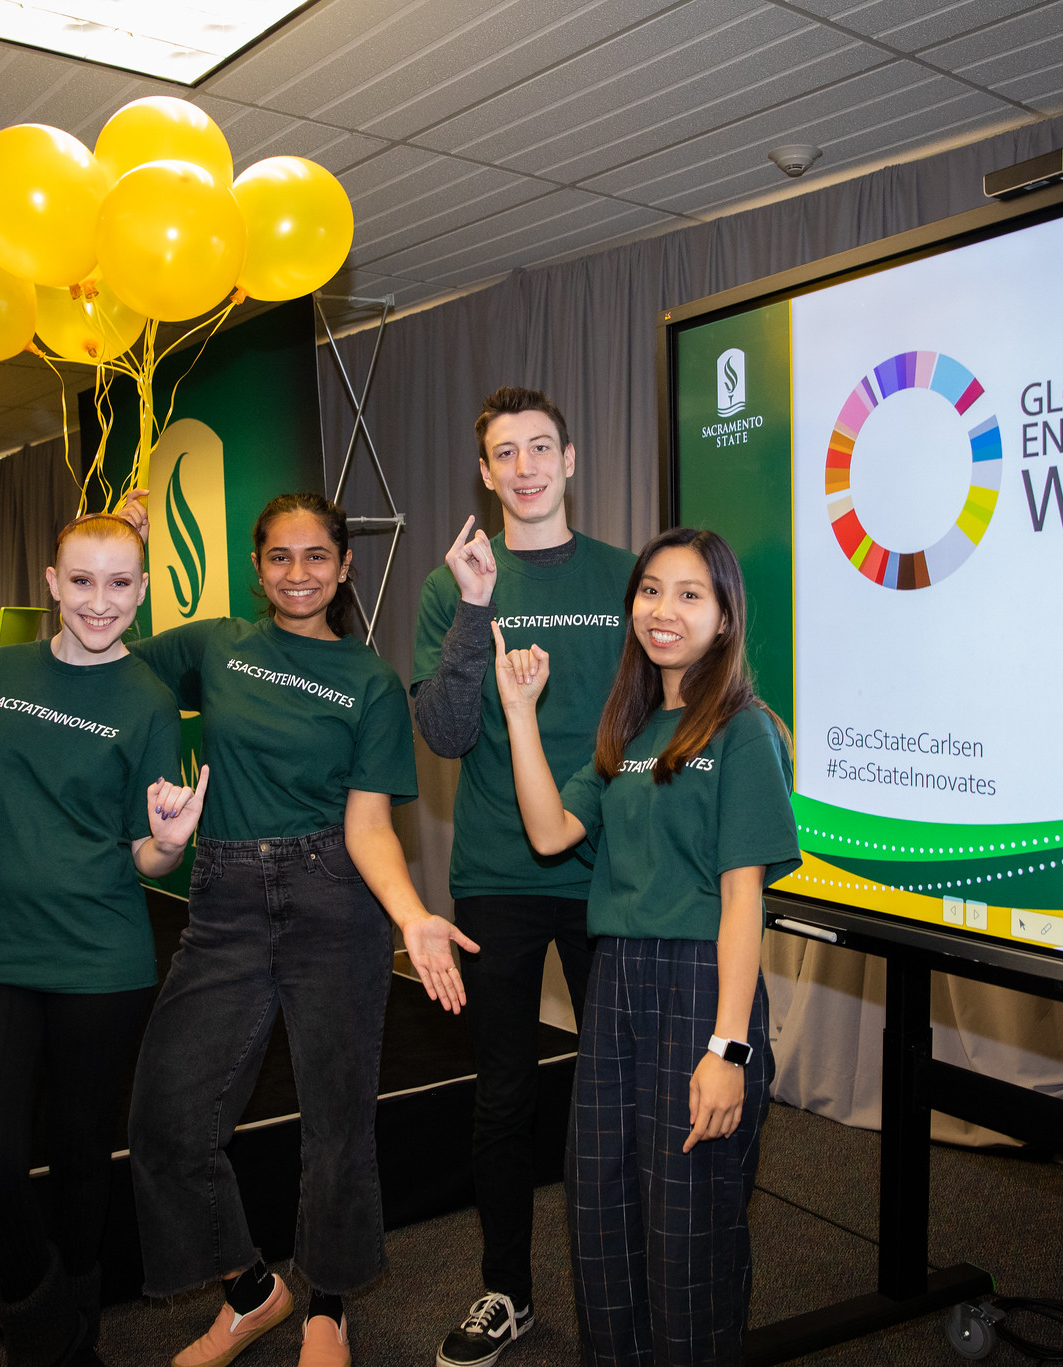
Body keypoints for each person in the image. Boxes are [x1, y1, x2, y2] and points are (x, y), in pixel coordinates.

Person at [123, 491, 478, 1367]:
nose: (297, 573)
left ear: (345, 565)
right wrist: (124, 552)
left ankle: (328, 1303)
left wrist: (414, 917)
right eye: (279, 556)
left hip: (335, 902)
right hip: (226, 895)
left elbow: (368, 828)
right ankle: (253, 1291)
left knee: (337, 1121)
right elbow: (108, 659)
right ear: (257, 566)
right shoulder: (216, 645)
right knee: (168, 1118)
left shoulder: (368, 680)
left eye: (316, 556)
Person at [490, 527, 800, 1367]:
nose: (664, 610)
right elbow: (552, 831)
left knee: (688, 1222)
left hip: (702, 987)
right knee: (601, 1211)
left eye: (691, 593)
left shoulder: (745, 732)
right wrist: (520, 715)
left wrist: (727, 1047)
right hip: (617, 980)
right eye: (652, 590)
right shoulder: (629, 729)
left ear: (726, 616)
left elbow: (745, 903)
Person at [0, 512, 206, 1367]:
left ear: (141, 589)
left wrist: (169, 839)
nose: (101, 602)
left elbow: (145, 847)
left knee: (80, 1156)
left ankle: (68, 1334)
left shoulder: (148, 699)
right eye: (83, 581)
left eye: (121, 583)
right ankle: (51, 1326)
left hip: (100, 956)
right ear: (52, 584)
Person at [414, 386, 635, 1367]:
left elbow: (649, 719)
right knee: (502, 1091)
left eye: (540, 446)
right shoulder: (452, 583)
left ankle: (623, 1281)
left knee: (617, 1086)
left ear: (570, 458)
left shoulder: (625, 576)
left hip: (607, 869)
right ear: (486, 472)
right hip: (497, 872)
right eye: (505, 452)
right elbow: (446, 732)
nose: (525, 465)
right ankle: (505, 1289)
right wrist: (470, 606)